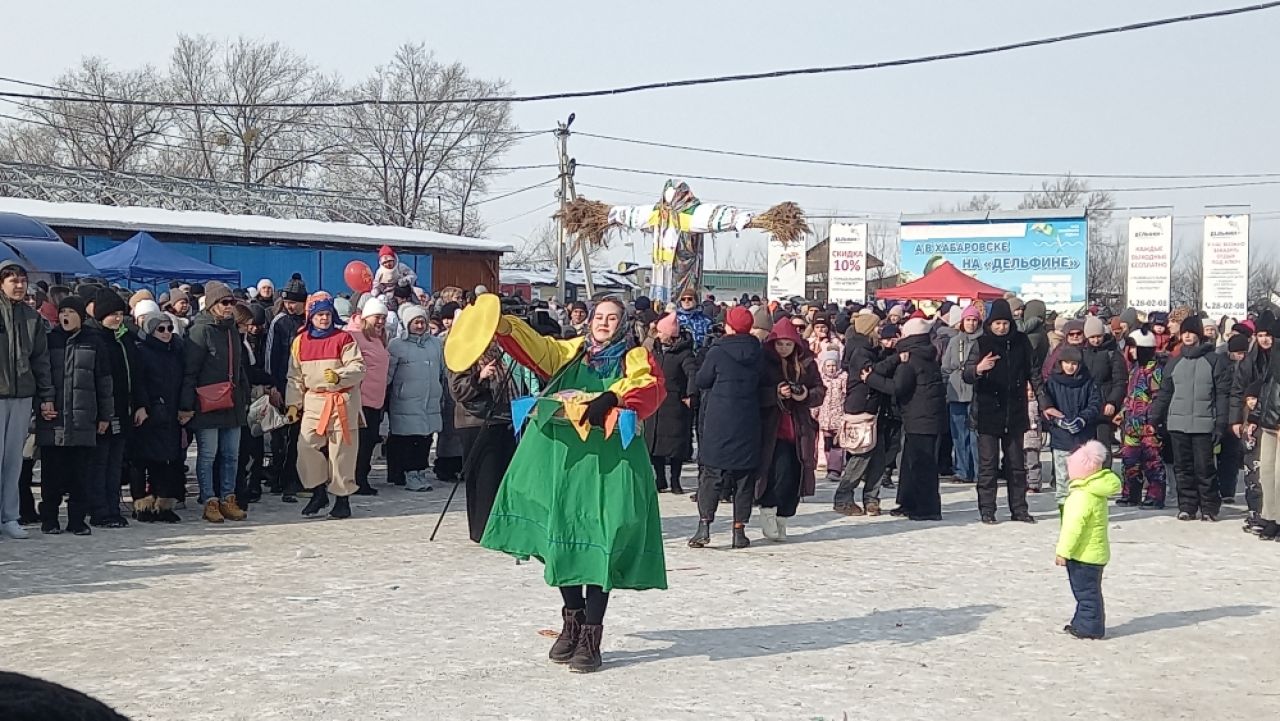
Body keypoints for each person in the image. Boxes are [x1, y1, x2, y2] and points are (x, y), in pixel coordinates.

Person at [482, 296, 667, 673]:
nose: (603, 322)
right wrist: (501, 324)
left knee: (604, 540)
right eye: (599, 316)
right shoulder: (571, 352)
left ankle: (591, 637)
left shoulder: (633, 357)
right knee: (562, 536)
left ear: (624, 323)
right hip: (564, 461)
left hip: (611, 463)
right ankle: (573, 622)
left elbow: (649, 386)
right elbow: (538, 349)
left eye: (612, 317)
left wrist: (612, 396)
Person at [286, 293, 366, 520]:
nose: (324, 319)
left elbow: (359, 367)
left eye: (327, 314)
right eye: (320, 315)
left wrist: (340, 376)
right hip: (314, 400)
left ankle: (342, 499)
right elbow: (294, 376)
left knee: (341, 451)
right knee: (306, 445)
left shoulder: (344, 339)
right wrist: (293, 403)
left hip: (342, 400)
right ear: (311, 317)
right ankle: (318, 491)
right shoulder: (300, 341)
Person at [689, 306, 763, 549]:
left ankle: (704, 527)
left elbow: (702, 380)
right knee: (744, 478)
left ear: (729, 325)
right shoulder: (759, 352)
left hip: (720, 420)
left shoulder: (718, 351)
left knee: (712, 475)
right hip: (749, 419)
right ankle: (739, 531)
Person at [37, 297, 112, 535]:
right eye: (63, 312)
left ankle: (77, 520)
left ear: (82, 315)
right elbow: (42, 376)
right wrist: (43, 404)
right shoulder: (49, 341)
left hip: (83, 419)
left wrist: (105, 415)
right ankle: (49, 519)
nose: (65, 316)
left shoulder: (94, 342)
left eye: (71, 312)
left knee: (81, 475)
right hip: (54, 420)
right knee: (52, 475)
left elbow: (104, 381)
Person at [963, 298, 1041, 525]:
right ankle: (987, 510)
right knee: (987, 466)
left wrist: (1044, 403)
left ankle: (1019, 509)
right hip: (987, 413)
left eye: (1005, 323)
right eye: (997, 323)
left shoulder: (1022, 342)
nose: (1001, 327)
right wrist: (978, 369)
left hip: (1015, 412)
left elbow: (1034, 373)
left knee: (1016, 466)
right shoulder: (981, 343)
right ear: (990, 323)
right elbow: (966, 374)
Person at [180, 281, 251, 524]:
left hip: (232, 401)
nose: (229, 307)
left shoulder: (231, 329)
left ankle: (228, 498)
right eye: (225, 302)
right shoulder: (200, 330)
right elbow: (190, 371)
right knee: (208, 455)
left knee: (232, 454)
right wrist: (186, 405)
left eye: (232, 302)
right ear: (212, 305)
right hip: (207, 401)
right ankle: (209, 499)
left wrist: (245, 395)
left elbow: (239, 366)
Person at [1151, 315, 1232, 522]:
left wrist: (1221, 424)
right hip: (1177, 424)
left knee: (1205, 468)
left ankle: (1209, 507)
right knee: (1183, 468)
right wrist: (1154, 418)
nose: (1187, 336)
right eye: (1184, 332)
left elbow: (1223, 395)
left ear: (1199, 334)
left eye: (1191, 332)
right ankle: (1187, 506)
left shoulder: (1214, 361)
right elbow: (1165, 393)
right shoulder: (1174, 363)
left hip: (1204, 425)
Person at [448, 343, 528, 543]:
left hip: (502, 418)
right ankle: (482, 530)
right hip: (476, 422)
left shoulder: (497, 351)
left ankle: (500, 526)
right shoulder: (461, 352)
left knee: (501, 476)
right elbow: (457, 390)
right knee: (484, 479)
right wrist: (479, 377)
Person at [755, 319, 825, 542]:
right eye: (779, 344)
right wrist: (776, 393)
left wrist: (804, 394)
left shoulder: (806, 363)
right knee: (778, 474)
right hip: (772, 428)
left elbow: (819, 390)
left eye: (787, 344)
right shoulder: (765, 363)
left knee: (796, 477)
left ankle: (784, 517)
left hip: (799, 428)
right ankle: (768, 511)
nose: (783, 349)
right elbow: (755, 393)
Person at [0, 262, 55, 539]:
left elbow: (41, 360)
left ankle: (9, 516)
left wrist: (46, 396)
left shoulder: (32, 318)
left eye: (22, 281)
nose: (19, 285)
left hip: (22, 396)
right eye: (13, 281)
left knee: (13, 460)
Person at [86, 288, 145, 529]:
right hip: (102, 413)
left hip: (124, 410)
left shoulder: (124, 339)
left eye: (120, 313)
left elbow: (137, 375)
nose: (118, 318)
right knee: (100, 464)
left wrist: (141, 404)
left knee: (115, 463)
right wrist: (102, 414)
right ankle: (100, 510)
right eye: (112, 314)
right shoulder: (94, 339)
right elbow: (97, 381)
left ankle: (112, 505)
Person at [877, 317, 946, 521]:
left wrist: (871, 379)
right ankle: (908, 502)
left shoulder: (911, 358)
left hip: (921, 417)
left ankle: (927, 508)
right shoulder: (926, 353)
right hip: (923, 415)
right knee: (909, 462)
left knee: (922, 464)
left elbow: (898, 387)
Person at [1055, 440, 1121, 640]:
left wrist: (1063, 551)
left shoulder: (1081, 496)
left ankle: (1090, 627)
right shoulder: (1094, 490)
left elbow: (1073, 528)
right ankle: (1081, 621)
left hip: (1084, 554)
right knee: (1088, 590)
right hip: (1094, 552)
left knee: (1086, 593)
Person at [129, 314, 186, 524]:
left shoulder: (176, 351)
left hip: (170, 412)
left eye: (169, 328)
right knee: (142, 459)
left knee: (166, 459)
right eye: (161, 329)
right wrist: (142, 406)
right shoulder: (142, 351)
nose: (167, 333)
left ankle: (163, 503)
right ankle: (142, 503)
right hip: (149, 411)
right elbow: (139, 382)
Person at [386, 304, 445, 491]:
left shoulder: (436, 344)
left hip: (430, 399)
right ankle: (409, 474)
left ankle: (421, 471)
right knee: (408, 439)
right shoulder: (397, 345)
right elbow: (388, 373)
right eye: (415, 322)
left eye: (422, 322)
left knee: (425, 438)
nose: (419, 326)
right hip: (405, 400)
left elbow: (442, 370)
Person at [1039, 345, 1103, 511]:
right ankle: (1064, 511)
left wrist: (1083, 419)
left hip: (1083, 439)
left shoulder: (1088, 382)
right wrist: (1058, 420)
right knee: (1063, 480)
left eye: (1074, 363)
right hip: (1061, 439)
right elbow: (1046, 407)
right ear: (1060, 363)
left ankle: (1083, 509)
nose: (1070, 367)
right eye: (1067, 363)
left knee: (1084, 478)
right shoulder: (1052, 382)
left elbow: (1095, 403)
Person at [265, 274, 308, 502]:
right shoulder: (279, 322)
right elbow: (271, 355)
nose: (290, 306)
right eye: (287, 302)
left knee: (301, 437)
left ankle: (296, 478)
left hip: (305, 388)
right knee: (281, 437)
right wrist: (272, 385)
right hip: (283, 386)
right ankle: (280, 478)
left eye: (294, 302)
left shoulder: (308, 321)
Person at [644, 313, 698, 494]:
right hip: (655, 401)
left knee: (676, 446)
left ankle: (675, 480)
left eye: (661, 332)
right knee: (655, 444)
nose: (658, 335)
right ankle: (660, 479)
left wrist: (690, 394)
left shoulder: (684, 353)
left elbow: (692, 374)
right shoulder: (655, 350)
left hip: (675, 402)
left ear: (670, 334)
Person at [1117, 329, 1167, 509]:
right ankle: (1131, 493)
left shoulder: (1155, 370)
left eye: (1134, 348)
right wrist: (1122, 412)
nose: (1131, 352)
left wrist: (1154, 419)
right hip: (1131, 423)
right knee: (1129, 460)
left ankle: (1155, 495)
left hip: (1148, 425)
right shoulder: (1134, 369)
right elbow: (1130, 395)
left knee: (1152, 461)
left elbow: (1158, 397)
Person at [349, 297, 390, 496]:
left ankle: (362, 476)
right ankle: (357, 479)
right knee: (361, 442)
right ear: (366, 317)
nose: (381, 321)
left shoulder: (379, 337)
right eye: (377, 317)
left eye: (383, 317)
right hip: (361, 399)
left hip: (376, 399)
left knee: (370, 441)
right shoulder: (355, 335)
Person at [941, 305, 982, 484]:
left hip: (976, 391)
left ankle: (979, 471)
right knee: (959, 433)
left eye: (974, 320)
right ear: (962, 322)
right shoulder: (954, 340)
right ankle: (962, 470)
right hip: (956, 391)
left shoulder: (983, 340)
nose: (971, 323)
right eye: (968, 320)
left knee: (976, 434)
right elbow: (946, 367)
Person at [814, 350, 847, 480]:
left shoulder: (843, 378)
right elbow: (817, 398)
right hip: (825, 417)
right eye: (828, 366)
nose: (831, 368)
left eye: (833, 365)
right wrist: (814, 412)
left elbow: (846, 394)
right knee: (827, 444)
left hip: (839, 416)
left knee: (837, 444)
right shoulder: (822, 380)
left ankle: (835, 469)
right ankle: (829, 466)